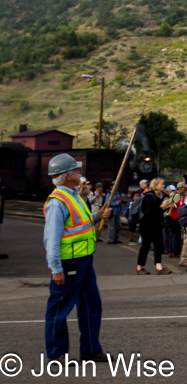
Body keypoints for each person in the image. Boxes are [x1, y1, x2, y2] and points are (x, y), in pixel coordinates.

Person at [43, 153, 111, 362]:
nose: (79, 172)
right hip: (68, 262)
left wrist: (95, 217)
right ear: (65, 176)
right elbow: (51, 239)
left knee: (91, 303)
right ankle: (57, 354)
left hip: (84, 260)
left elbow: (77, 223)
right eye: (75, 170)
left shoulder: (73, 195)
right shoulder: (58, 202)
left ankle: (90, 349)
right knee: (60, 307)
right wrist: (56, 268)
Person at [135, 179, 171, 274]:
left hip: (156, 225)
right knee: (145, 246)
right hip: (148, 226)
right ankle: (139, 267)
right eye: (161, 184)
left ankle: (158, 266)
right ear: (155, 186)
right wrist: (161, 206)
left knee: (158, 245)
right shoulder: (149, 197)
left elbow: (156, 211)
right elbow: (148, 212)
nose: (163, 185)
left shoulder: (157, 196)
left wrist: (165, 207)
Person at [163, 183, 181, 258]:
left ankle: (170, 251)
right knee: (175, 235)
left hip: (167, 217)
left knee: (170, 235)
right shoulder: (177, 196)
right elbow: (178, 206)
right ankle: (175, 252)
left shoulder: (168, 198)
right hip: (174, 217)